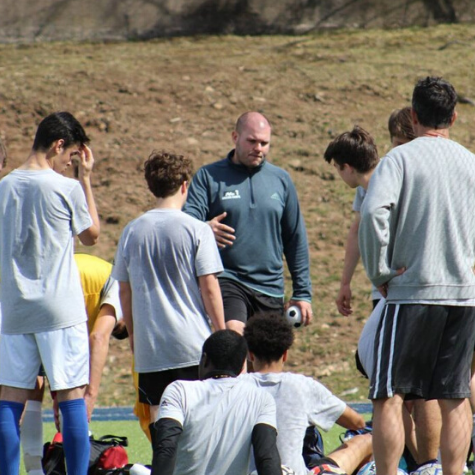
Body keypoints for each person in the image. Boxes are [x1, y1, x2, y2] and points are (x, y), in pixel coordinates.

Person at [359, 76, 475, 475]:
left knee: (388, 394)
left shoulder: (400, 159)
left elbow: (374, 214)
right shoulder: (470, 162)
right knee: (455, 395)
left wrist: (379, 272)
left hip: (411, 292)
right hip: (462, 295)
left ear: (413, 114)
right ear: (454, 117)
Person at [0, 112, 100, 475]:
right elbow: (92, 236)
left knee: (10, 400)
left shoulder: (4, 187)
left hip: (14, 309)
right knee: (71, 396)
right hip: (59, 310)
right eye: (71, 156)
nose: (70, 162)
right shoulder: (66, 187)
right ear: (59, 145)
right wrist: (84, 180)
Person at [112, 151, 226, 432]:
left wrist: (135, 337)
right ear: (185, 185)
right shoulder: (197, 229)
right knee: (198, 427)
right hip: (192, 346)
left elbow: (124, 291)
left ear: (151, 186)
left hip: (151, 349)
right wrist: (221, 332)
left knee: (160, 428)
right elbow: (209, 287)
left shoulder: (131, 231)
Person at [183, 111, 312, 334]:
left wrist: (302, 292)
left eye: (264, 143)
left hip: (270, 287)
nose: (258, 148)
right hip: (227, 278)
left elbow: (295, 238)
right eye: (252, 141)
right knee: (235, 337)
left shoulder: (281, 180)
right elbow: (184, 224)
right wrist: (204, 229)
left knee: (266, 364)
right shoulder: (208, 177)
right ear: (235, 137)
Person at [20, 253, 126, 475]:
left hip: (26, 287)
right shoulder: (120, 284)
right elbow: (98, 337)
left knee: (29, 391)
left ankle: (33, 471)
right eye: (119, 327)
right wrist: (90, 396)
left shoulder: (95, 280)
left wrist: (61, 392)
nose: (115, 324)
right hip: (54, 297)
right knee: (71, 402)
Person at [243, 313, 372, 475]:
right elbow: (357, 422)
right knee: (366, 440)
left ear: (250, 354)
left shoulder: (234, 388)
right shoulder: (302, 386)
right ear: (285, 354)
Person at [151, 329, 282, 475]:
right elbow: (266, 458)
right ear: (240, 367)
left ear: (205, 359)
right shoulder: (261, 399)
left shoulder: (179, 390)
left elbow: (165, 447)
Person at [327, 109, 415, 317]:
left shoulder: (407, 178)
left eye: (405, 144)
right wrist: (346, 282)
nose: (401, 151)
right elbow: (357, 230)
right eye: (397, 144)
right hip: (383, 287)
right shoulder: (367, 185)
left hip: (411, 285)